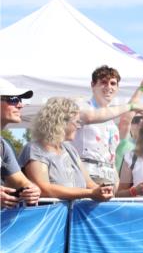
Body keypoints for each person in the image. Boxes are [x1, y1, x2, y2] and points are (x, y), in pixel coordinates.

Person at [72, 65, 143, 186]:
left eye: (113, 83)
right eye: (103, 82)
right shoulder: (80, 105)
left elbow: (125, 120)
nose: (109, 87)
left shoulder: (110, 121)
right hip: (84, 177)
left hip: (109, 180)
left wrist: (141, 90)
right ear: (92, 85)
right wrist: (131, 106)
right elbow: (90, 117)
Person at [19, 97, 114, 202]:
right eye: (76, 122)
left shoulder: (70, 149)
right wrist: (90, 193)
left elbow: (90, 184)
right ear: (61, 122)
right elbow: (43, 189)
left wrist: (102, 190)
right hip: (51, 216)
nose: (79, 126)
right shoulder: (35, 149)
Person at [0, 78, 41, 208]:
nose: (20, 105)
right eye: (13, 99)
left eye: (20, 100)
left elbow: (21, 182)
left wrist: (33, 190)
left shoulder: (3, 146)